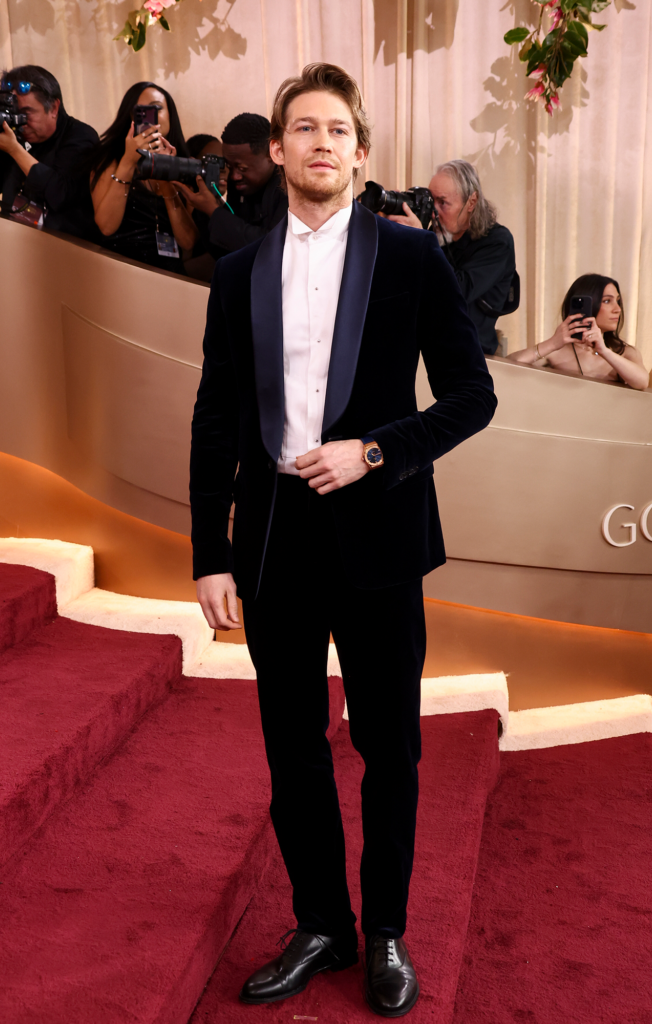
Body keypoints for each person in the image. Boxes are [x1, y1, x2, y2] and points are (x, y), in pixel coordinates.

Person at [190, 63, 496, 1017]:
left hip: (377, 538)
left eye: (339, 130)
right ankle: (319, 919)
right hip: (274, 541)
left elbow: (470, 397)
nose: (321, 142)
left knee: (389, 746)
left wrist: (373, 452)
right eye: (304, 128)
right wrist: (209, 552)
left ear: (361, 155)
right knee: (291, 747)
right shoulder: (237, 270)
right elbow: (215, 418)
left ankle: (387, 931)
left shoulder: (410, 258)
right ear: (277, 150)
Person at [384, 159, 517, 355]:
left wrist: (421, 241)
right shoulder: (435, 235)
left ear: (471, 202)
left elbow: (457, 290)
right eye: (431, 201)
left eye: (443, 202)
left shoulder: (498, 241)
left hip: (469, 356)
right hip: (423, 348)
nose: (433, 211)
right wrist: (391, 232)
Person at [0, 65, 98, 240]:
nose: (20, 121)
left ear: (54, 108)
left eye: (26, 113)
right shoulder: (13, 135)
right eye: (15, 113)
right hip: (14, 242)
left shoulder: (80, 136)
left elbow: (60, 196)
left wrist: (15, 149)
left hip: (66, 249)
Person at [89, 82, 197, 274]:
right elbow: (106, 226)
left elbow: (188, 242)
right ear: (130, 117)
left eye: (157, 108)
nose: (151, 117)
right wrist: (128, 161)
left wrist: (165, 175)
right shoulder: (109, 159)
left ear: (170, 114)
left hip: (169, 273)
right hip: (120, 268)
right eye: (141, 111)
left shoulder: (184, 163)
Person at [507, 274, 648, 390]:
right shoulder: (556, 352)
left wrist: (604, 351)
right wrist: (552, 343)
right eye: (606, 301)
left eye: (618, 301)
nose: (617, 309)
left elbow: (642, 382)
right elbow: (509, 365)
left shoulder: (625, 352)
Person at [180, 112, 287, 254]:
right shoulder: (239, 183)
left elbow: (270, 247)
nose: (234, 176)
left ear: (271, 154)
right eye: (229, 167)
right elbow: (224, 251)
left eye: (242, 168)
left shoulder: (291, 186)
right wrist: (207, 205)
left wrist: (213, 211)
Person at [181, 133, 230, 281]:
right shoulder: (185, 204)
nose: (223, 169)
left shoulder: (225, 205)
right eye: (214, 162)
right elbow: (187, 253)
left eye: (226, 162)